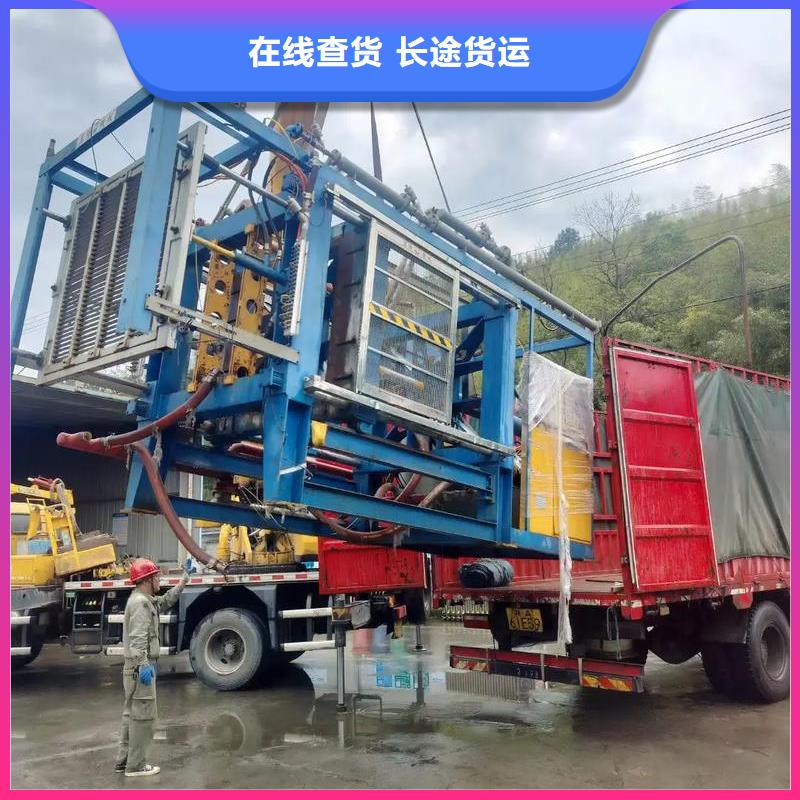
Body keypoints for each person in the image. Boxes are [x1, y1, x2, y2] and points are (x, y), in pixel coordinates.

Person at [114, 556, 195, 778]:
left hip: (135, 668)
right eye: (156, 576)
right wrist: (143, 665)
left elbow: (165, 601)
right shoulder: (140, 604)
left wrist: (184, 580)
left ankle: (124, 761)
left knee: (131, 715)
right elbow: (138, 639)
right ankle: (136, 766)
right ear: (147, 579)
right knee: (143, 718)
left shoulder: (143, 600)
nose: (159, 579)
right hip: (140, 668)